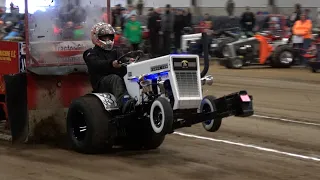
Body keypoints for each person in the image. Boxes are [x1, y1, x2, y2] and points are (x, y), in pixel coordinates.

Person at [83, 22, 136, 113]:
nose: (107, 40)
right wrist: (111, 64)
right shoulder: (90, 53)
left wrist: (129, 61)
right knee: (114, 78)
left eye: (109, 37)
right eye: (104, 37)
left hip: (118, 79)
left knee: (133, 73)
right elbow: (96, 64)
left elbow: (123, 60)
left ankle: (140, 98)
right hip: (101, 83)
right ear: (96, 38)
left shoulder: (116, 50)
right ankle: (124, 104)